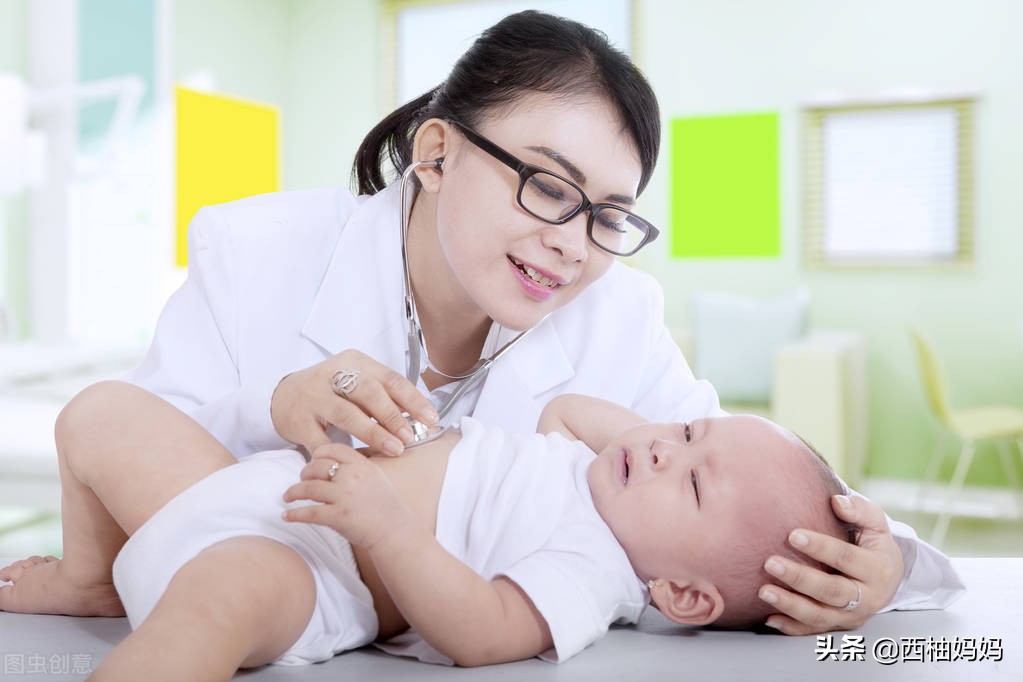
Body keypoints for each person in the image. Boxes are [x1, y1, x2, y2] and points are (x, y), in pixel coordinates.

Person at [120, 10, 959, 633]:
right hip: (225, 599)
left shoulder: (619, 314)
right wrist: (275, 406)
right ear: (438, 152)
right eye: (549, 186)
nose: (569, 245)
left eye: (606, 215)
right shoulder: (256, 247)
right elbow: (139, 458)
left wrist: (879, 570)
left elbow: (749, 488)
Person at [2, 382, 864, 678]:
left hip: (308, 571)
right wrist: (667, 452)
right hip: (245, 491)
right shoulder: (586, 469)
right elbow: (572, 408)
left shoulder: (597, 569)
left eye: (695, 481)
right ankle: (92, 575)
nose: (662, 448)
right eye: (683, 433)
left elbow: (484, 633)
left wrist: (388, 532)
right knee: (98, 412)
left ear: (681, 593)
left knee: (215, 599)